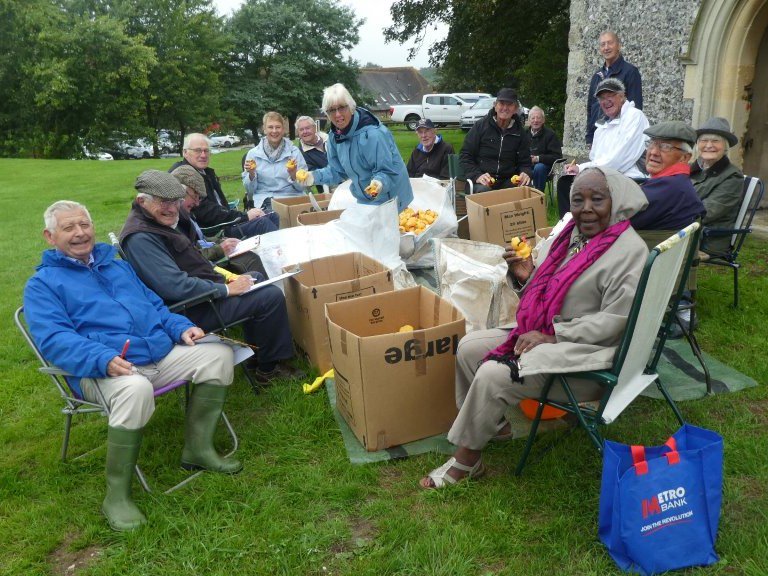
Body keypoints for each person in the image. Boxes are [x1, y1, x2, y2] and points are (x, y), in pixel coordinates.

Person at [420, 167, 649, 488]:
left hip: (589, 359)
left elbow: (616, 320)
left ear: (618, 201)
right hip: (556, 336)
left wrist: (552, 335)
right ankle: (494, 424)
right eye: (577, 199)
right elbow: (552, 294)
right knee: (469, 347)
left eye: (597, 199)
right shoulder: (576, 237)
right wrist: (527, 275)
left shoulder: (628, 250)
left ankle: (466, 461)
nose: (585, 208)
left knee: (494, 374)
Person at [23, 200, 241, 531]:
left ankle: (198, 448)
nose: (80, 233)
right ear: (50, 236)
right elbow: (54, 340)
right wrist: (101, 359)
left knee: (218, 355)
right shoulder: (43, 285)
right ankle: (117, 496)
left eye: (85, 224)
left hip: (157, 353)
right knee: (135, 388)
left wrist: (179, 327)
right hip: (101, 370)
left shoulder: (118, 266)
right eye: (69, 228)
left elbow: (155, 306)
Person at [119, 170, 300, 384]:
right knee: (268, 296)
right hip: (190, 309)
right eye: (164, 202)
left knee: (255, 278)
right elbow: (173, 286)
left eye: (176, 201)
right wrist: (225, 289)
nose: (172, 208)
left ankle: (259, 357)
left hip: (205, 293)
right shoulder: (140, 238)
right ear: (142, 201)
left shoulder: (157, 221)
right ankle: (269, 371)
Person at [288, 83, 414, 211]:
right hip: (365, 198)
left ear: (351, 107)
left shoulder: (373, 134)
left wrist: (378, 183)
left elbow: (387, 171)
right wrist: (312, 177)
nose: (337, 114)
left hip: (392, 198)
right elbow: (337, 171)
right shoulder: (334, 136)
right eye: (332, 110)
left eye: (342, 108)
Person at [559, 78, 648, 216]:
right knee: (566, 181)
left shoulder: (635, 116)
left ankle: (581, 229)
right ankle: (569, 228)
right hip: (605, 175)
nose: (606, 101)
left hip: (631, 178)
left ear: (622, 96)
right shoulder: (601, 126)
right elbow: (595, 159)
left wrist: (587, 171)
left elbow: (621, 159)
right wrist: (578, 168)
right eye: (602, 98)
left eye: (610, 96)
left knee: (580, 188)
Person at [170, 133, 278, 238]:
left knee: (271, 214)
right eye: (198, 150)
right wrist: (244, 216)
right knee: (262, 223)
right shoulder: (184, 175)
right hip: (215, 231)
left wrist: (241, 215)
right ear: (185, 152)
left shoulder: (206, 172)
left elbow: (219, 206)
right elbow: (206, 213)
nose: (203, 155)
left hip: (226, 221)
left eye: (206, 150)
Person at [171, 165, 267, 277]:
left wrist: (219, 240)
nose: (197, 203)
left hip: (210, 256)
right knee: (252, 260)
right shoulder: (173, 221)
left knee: (267, 222)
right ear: (180, 192)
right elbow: (189, 258)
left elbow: (199, 239)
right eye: (195, 196)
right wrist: (220, 248)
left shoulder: (184, 213)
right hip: (205, 271)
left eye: (199, 198)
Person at [631, 121, 706, 230]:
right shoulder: (677, 182)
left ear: (684, 158)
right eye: (651, 143)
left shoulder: (668, 187)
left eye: (665, 147)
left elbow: (617, 221)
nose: (654, 152)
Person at [459, 88, 533, 192]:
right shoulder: (480, 126)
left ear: (515, 108)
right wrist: (477, 175)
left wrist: (525, 172)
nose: (505, 108)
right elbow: (465, 156)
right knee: (484, 190)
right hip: (482, 179)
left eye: (509, 105)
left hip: (508, 180)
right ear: (495, 105)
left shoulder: (520, 132)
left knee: (527, 189)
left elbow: (525, 162)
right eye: (502, 104)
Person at [690, 117, 744, 252]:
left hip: (706, 239)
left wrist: (668, 214)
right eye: (704, 140)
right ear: (697, 144)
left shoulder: (732, 177)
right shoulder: (691, 169)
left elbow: (706, 213)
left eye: (715, 141)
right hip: (685, 229)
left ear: (725, 147)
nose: (709, 145)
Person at [242, 111, 308, 212]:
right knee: (275, 218)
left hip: (292, 198)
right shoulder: (253, 154)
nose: (274, 131)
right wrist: (251, 174)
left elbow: (303, 187)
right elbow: (250, 191)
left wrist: (294, 175)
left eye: (278, 127)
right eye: (270, 127)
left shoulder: (294, 152)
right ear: (264, 129)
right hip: (266, 199)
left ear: (283, 130)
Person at [586, 31, 643, 146]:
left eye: (610, 43)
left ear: (618, 46)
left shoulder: (630, 72)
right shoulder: (597, 76)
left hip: (618, 137)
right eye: (603, 44)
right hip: (599, 135)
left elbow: (635, 107)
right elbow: (591, 107)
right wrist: (590, 135)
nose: (606, 47)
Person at [527, 106, 563, 192]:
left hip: (544, 168)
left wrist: (537, 159)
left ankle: (539, 196)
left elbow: (557, 156)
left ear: (543, 120)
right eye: (533, 118)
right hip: (526, 166)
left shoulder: (550, 135)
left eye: (538, 118)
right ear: (529, 121)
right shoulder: (523, 134)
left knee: (539, 167)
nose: (535, 120)